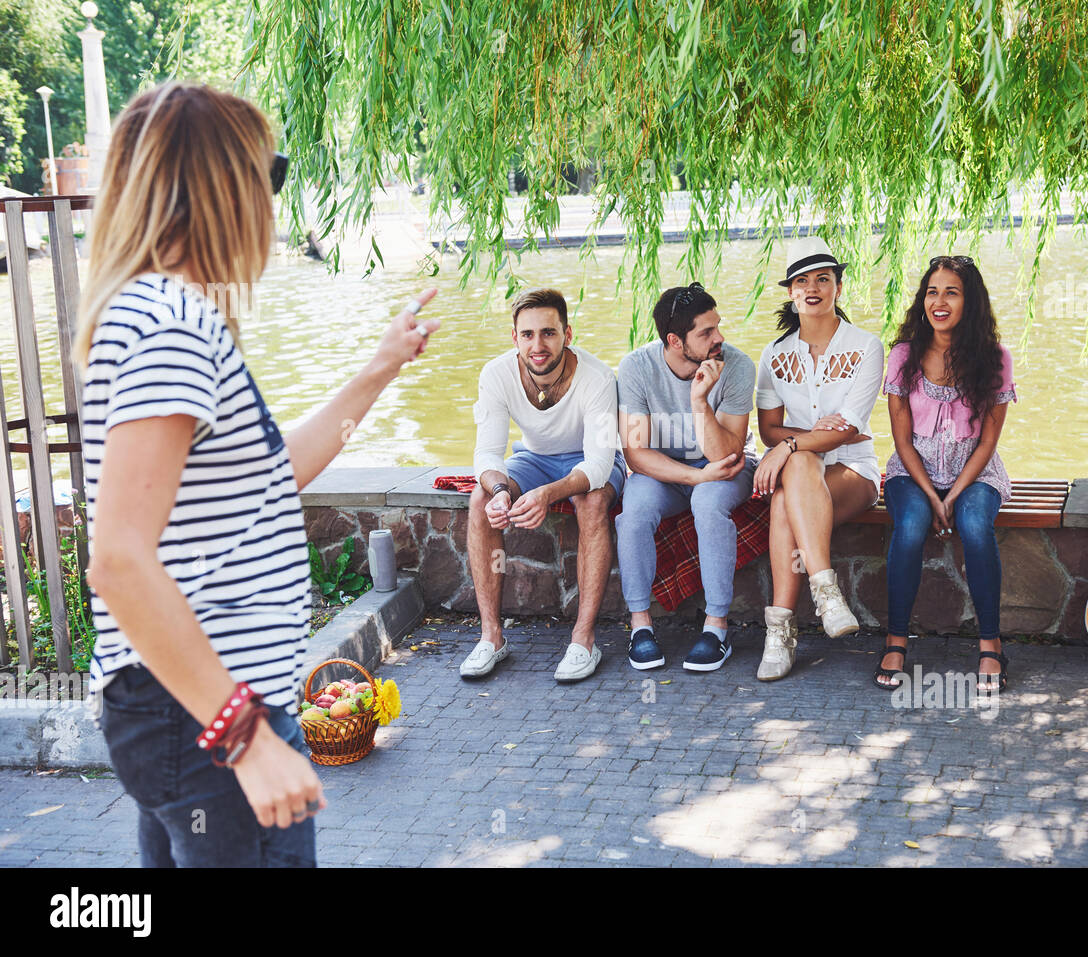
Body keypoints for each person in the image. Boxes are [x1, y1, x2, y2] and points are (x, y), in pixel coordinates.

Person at [77, 83, 437, 867]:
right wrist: (245, 738)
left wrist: (379, 368)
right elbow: (118, 559)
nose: (275, 197)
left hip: (189, 710)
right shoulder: (171, 326)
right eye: (269, 173)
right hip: (204, 715)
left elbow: (276, 477)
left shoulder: (164, 315)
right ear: (220, 184)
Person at [464, 287, 624, 682]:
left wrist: (548, 494)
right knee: (480, 499)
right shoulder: (496, 374)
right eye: (528, 334)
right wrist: (502, 492)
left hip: (590, 460)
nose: (538, 345)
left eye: (549, 333)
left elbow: (601, 464)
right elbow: (486, 455)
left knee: (591, 503)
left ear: (567, 335)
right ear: (514, 337)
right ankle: (491, 637)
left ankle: (583, 640)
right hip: (533, 458)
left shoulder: (599, 377)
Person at [876, 255, 1016, 692]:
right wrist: (932, 498)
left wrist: (953, 495)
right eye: (932, 292)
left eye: (951, 292)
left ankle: (990, 645)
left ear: (969, 301)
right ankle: (896, 640)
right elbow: (901, 441)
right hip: (911, 470)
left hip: (975, 472)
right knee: (912, 523)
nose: (939, 301)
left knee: (975, 526)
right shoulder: (904, 356)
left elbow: (989, 441)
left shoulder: (995, 359)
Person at [753, 237, 885, 681]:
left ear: (838, 287)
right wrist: (803, 442)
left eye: (823, 279)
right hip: (804, 471)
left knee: (792, 475)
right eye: (802, 281)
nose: (813, 288)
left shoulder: (867, 346)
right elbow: (767, 429)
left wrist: (791, 445)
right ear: (790, 292)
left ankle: (782, 632)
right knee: (794, 479)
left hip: (854, 471)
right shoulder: (774, 355)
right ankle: (825, 594)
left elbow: (846, 431)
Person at [616, 283, 757, 671]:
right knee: (635, 509)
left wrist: (699, 402)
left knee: (709, 502)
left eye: (718, 326)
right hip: (662, 470)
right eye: (706, 333)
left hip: (725, 467)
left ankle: (716, 628)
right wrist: (694, 478)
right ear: (675, 341)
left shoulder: (738, 366)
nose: (719, 338)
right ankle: (640, 626)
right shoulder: (636, 368)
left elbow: (725, 455)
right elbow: (636, 454)